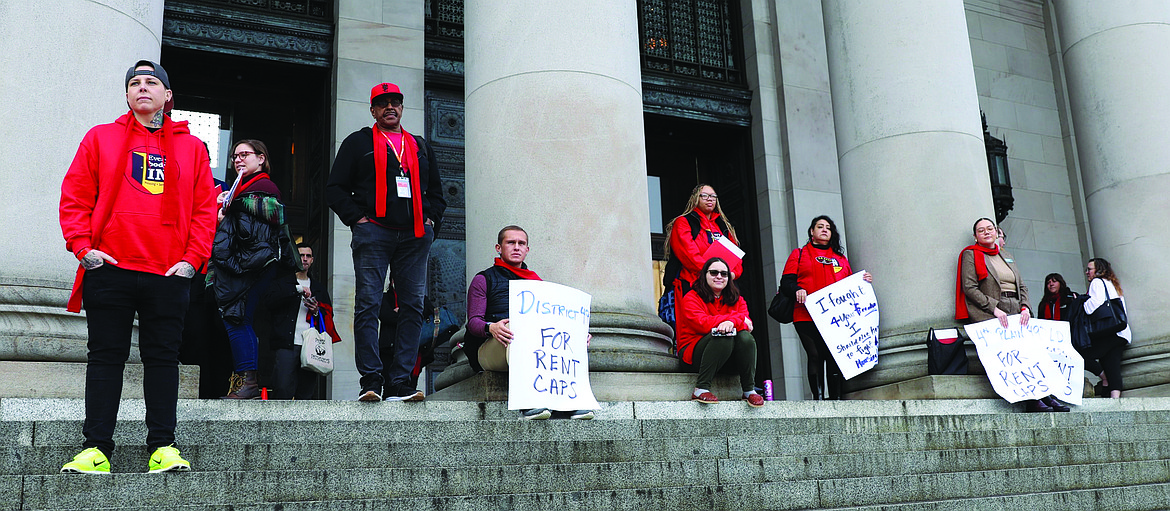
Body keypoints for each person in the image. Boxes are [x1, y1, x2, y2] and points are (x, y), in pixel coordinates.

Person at [58, 60, 216, 473]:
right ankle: (95, 449)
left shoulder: (193, 148)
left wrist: (191, 260)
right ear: (127, 96)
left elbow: (204, 211)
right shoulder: (101, 138)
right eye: (134, 83)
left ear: (168, 96)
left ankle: (163, 447)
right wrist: (82, 248)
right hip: (110, 266)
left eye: (151, 82)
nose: (142, 88)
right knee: (105, 358)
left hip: (168, 272)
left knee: (162, 360)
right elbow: (75, 195)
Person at [326, 82, 446, 402]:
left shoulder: (419, 146)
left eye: (395, 102)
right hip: (374, 232)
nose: (389, 107)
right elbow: (335, 188)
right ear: (373, 111)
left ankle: (400, 382)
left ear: (402, 108)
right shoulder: (358, 142)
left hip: (414, 236)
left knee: (412, 307)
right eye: (382, 104)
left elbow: (436, 192)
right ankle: (371, 380)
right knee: (367, 304)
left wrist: (431, 221)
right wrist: (358, 219)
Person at [465, 226, 595, 420]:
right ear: (498, 248)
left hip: (522, 342)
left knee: (563, 338)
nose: (516, 247)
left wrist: (575, 333)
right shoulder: (483, 279)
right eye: (511, 243)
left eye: (521, 243)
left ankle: (569, 402)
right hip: (491, 347)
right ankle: (528, 402)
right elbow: (473, 323)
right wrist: (491, 327)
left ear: (527, 249)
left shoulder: (538, 284)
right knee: (519, 329)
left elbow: (553, 322)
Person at [210, 139, 299, 399]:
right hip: (244, 265)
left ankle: (247, 382)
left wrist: (233, 204)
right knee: (239, 319)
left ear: (261, 158)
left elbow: (274, 213)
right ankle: (244, 380)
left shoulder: (263, 185)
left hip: (250, 266)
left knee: (237, 319)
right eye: (235, 156)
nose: (238, 159)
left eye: (244, 154)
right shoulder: (244, 188)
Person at [956, 218, 1066, 412]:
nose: (987, 232)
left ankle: (1045, 395)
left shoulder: (1005, 254)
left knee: (1031, 354)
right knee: (1015, 357)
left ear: (997, 231)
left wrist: (1025, 307)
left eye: (990, 228)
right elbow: (969, 287)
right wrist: (993, 308)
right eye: (981, 230)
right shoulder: (971, 255)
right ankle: (1033, 401)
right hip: (992, 311)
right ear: (975, 236)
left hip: (1015, 307)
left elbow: (1021, 285)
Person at [781, 216, 872, 400]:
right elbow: (786, 282)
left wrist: (863, 280)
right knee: (814, 355)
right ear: (811, 232)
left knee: (834, 355)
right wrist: (797, 289)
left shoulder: (840, 258)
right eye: (820, 227)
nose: (824, 230)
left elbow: (849, 285)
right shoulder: (799, 254)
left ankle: (836, 399)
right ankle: (819, 399)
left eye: (828, 228)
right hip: (805, 315)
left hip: (835, 318)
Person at [676, 257, 763, 406]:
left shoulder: (738, 299)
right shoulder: (691, 297)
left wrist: (731, 322)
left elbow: (748, 326)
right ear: (705, 275)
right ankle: (701, 389)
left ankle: (748, 390)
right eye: (714, 272)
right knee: (723, 335)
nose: (719, 277)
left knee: (745, 337)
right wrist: (734, 320)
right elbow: (702, 324)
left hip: (727, 358)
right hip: (694, 356)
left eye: (724, 274)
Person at [266, 243, 341, 399]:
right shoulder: (282, 283)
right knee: (282, 389)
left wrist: (316, 311)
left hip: (311, 346)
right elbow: (269, 302)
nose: (304, 259)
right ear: (295, 257)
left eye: (308, 256)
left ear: (312, 260)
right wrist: (296, 290)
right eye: (301, 255)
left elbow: (328, 316)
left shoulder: (319, 288)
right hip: (287, 343)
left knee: (306, 393)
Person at [663, 184, 740, 330]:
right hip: (693, 286)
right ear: (695, 198)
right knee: (696, 329)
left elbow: (736, 257)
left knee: (725, 327)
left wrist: (733, 274)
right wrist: (712, 273)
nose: (709, 199)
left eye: (713, 196)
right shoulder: (684, 222)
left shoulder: (723, 226)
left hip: (722, 290)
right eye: (704, 195)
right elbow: (689, 254)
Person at [1081, 258, 1130, 399]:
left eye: (1089, 269)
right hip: (1121, 332)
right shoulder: (1113, 283)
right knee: (1112, 364)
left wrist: (1082, 301)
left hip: (1108, 332)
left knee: (1080, 353)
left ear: (1099, 270)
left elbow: (1092, 307)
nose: (1087, 272)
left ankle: (1103, 378)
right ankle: (1115, 398)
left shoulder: (1097, 282)